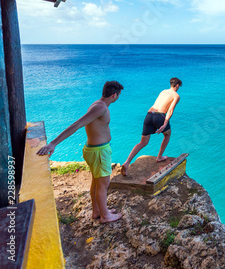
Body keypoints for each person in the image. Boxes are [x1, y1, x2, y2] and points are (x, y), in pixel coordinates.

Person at [37, 81, 124, 223]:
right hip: (99, 152)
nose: (118, 97)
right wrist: (53, 143)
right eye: (119, 95)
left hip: (95, 150)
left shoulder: (97, 104)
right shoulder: (100, 108)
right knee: (103, 183)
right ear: (114, 95)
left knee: (97, 181)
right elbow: (76, 125)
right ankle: (105, 216)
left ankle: (98, 211)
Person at [121, 77, 182, 176]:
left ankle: (127, 162)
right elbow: (170, 110)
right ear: (177, 85)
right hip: (159, 116)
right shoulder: (176, 95)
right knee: (167, 135)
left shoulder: (163, 91)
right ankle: (159, 156)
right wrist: (165, 123)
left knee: (143, 142)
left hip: (149, 115)